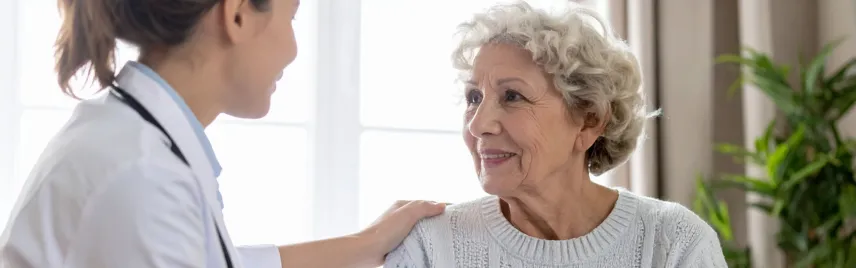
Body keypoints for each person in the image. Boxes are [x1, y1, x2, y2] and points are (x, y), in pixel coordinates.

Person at [0, 0, 445, 267]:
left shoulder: (131, 139)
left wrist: (362, 246)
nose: (293, 50)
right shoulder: (141, 177)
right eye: (291, 17)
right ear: (237, 16)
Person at [384, 2, 728, 268]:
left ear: (588, 122)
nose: (478, 125)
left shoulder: (672, 242)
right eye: (475, 97)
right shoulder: (432, 245)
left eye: (512, 96)